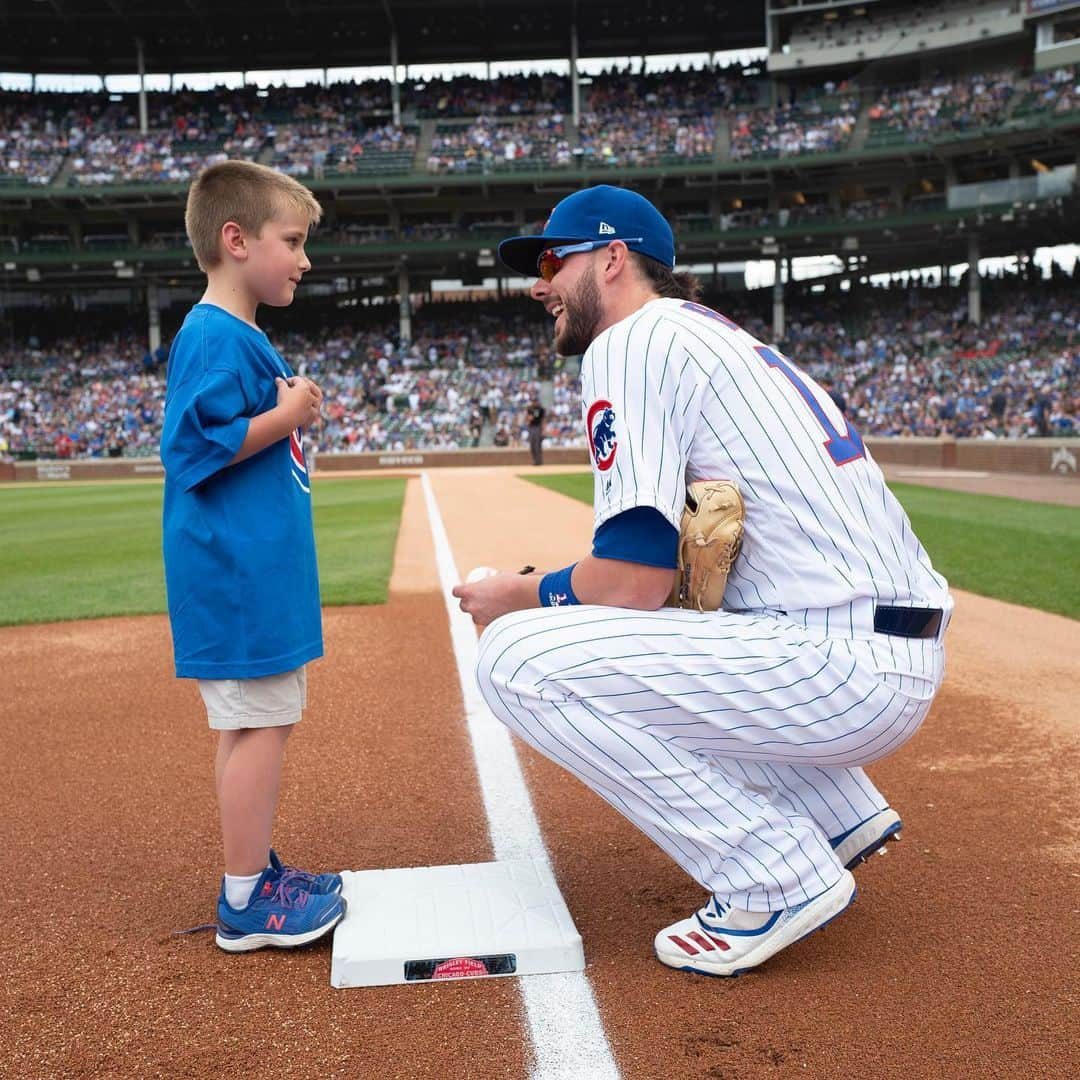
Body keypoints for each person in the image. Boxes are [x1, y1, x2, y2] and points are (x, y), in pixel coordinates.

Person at [452, 185, 952, 978]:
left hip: (838, 664)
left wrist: (517, 593)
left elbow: (634, 582)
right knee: (657, 636)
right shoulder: (709, 337)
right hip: (871, 648)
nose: (537, 284)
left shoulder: (630, 341)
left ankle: (775, 875)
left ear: (613, 259)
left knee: (517, 657)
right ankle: (833, 813)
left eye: (552, 259)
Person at [160, 160, 345, 953]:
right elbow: (195, 449)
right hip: (236, 573)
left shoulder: (241, 336)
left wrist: (288, 413)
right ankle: (245, 901)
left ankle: (255, 869)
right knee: (260, 724)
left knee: (259, 722)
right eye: (292, 241)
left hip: (256, 569)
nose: (304, 260)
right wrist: (290, 412)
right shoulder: (211, 335)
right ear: (235, 240)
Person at [526, 397, 546, 465]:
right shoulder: (530, 409)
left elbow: (542, 419)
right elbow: (528, 418)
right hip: (531, 427)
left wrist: (543, 430)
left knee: (537, 445)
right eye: (533, 401)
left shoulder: (540, 409)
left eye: (535, 401)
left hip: (538, 427)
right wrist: (529, 419)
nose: (534, 403)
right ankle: (535, 460)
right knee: (532, 445)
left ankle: (539, 461)